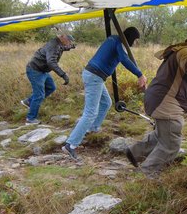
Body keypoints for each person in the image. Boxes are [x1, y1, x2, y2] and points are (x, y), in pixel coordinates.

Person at [125, 27, 187, 178]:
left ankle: (135, 153)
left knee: (163, 134)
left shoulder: (185, 50)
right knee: (171, 143)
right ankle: (146, 175)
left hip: (159, 98)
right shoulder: (186, 52)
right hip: (165, 101)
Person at [62, 27, 147, 161]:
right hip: (94, 76)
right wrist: (139, 75)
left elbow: (119, 57)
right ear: (130, 37)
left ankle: (92, 128)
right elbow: (124, 59)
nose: (135, 43)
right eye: (135, 40)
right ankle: (70, 145)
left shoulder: (114, 39)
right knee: (90, 112)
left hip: (95, 76)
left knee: (106, 103)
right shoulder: (117, 42)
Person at [21, 34, 76, 124]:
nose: (70, 42)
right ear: (62, 38)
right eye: (69, 40)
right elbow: (51, 62)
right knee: (39, 95)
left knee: (51, 87)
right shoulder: (53, 46)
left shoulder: (58, 43)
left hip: (42, 71)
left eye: (70, 41)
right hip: (35, 70)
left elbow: (61, 48)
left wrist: (69, 47)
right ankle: (30, 119)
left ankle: (29, 101)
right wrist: (63, 75)